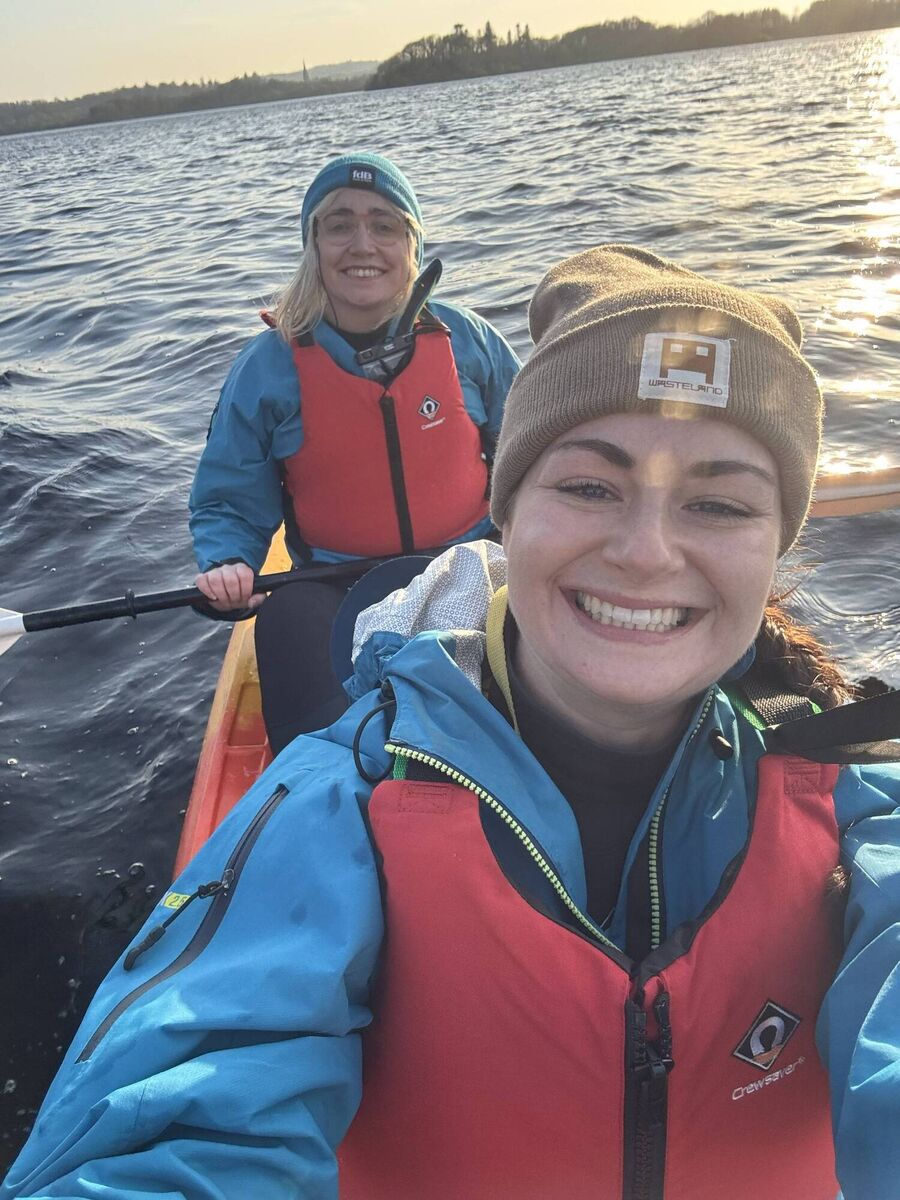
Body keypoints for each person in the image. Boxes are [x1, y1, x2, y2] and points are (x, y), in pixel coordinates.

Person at [6, 245, 900, 1200]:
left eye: (719, 504)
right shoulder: (338, 810)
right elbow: (178, 1110)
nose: (646, 552)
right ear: (504, 515)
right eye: (588, 486)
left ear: (777, 550)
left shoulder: (861, 816)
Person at [189, 152, 520, 749]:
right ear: (313, 246)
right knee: (284, 619)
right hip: (335, 586)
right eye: (339, 224)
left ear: (411, 245)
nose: (362, 243)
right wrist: (228, 563)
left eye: (384, 224)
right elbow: (230, 500)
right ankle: (339, 777)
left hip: (470, 566)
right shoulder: (269, 367)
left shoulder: (468, 341)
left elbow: (536, 452)